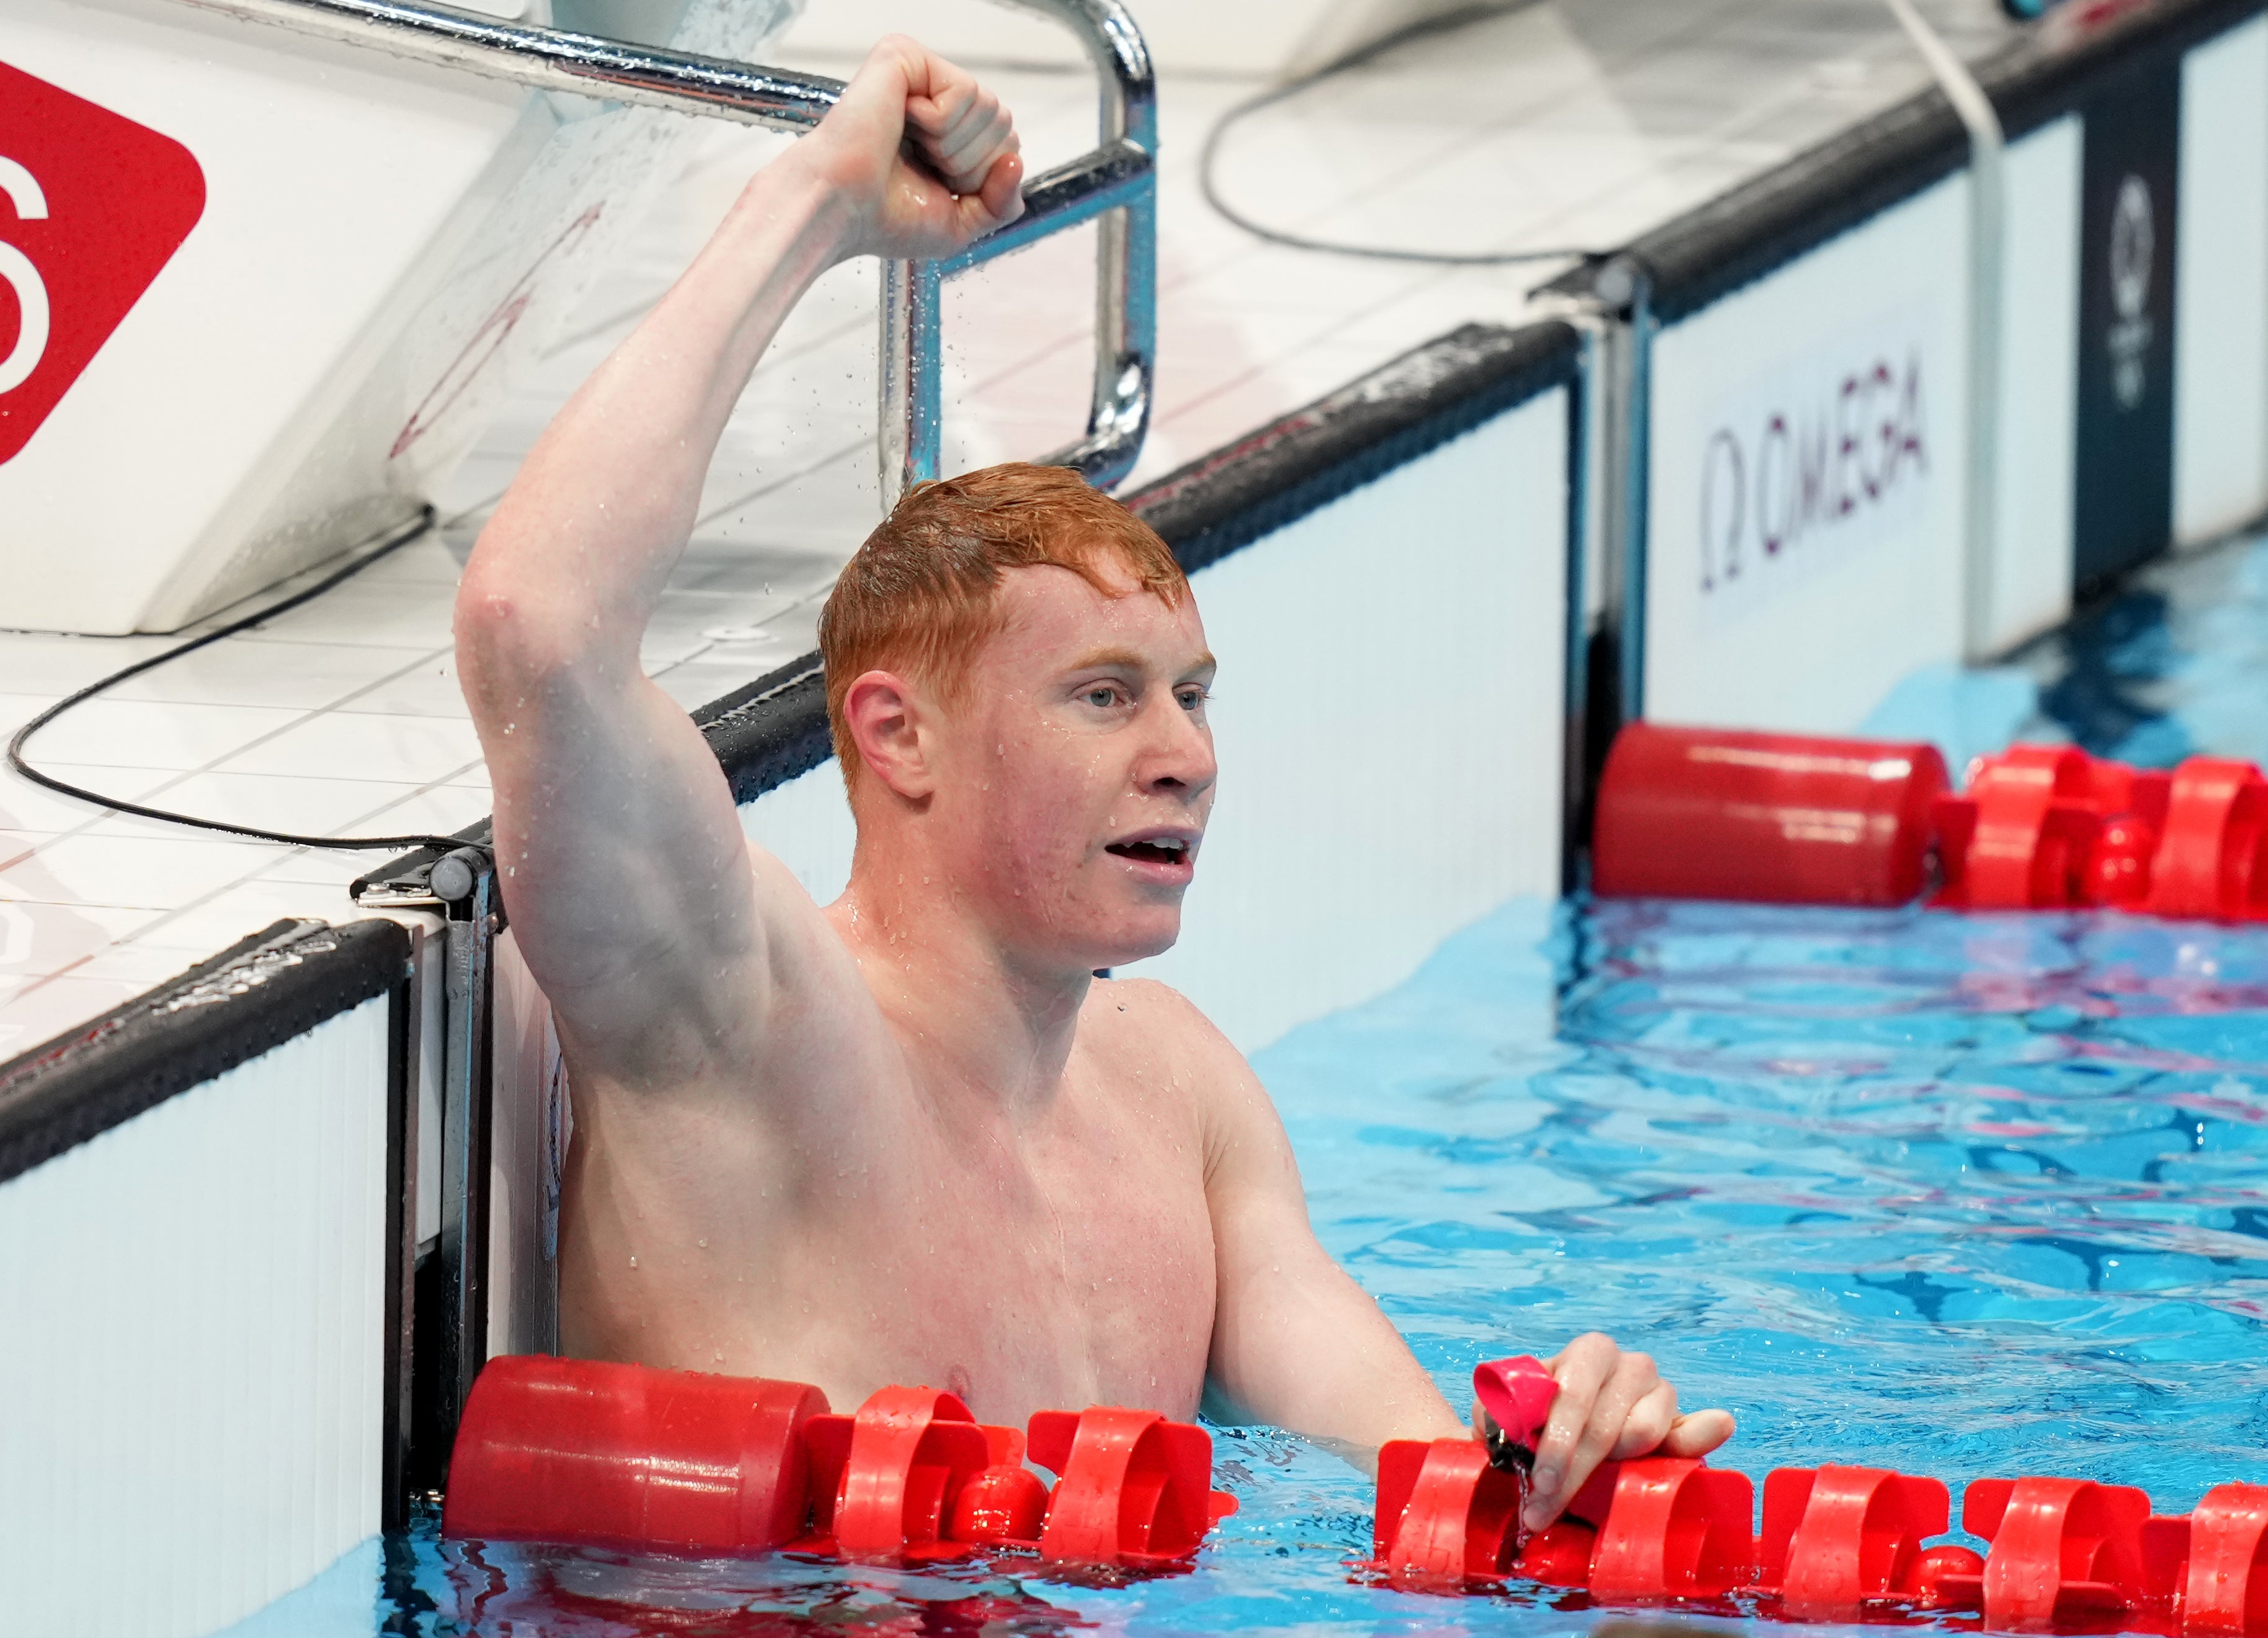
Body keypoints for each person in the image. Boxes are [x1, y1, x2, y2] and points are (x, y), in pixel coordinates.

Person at [453, 35, 1732, 1531]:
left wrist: (1568, 1469)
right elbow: (532, 629)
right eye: (1103, 697)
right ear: (896, 736)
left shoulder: (1176, 1094)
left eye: (1189, 696)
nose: (1184, 755)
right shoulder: (749, 1021)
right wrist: (813, 206)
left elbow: (1431, 1487)